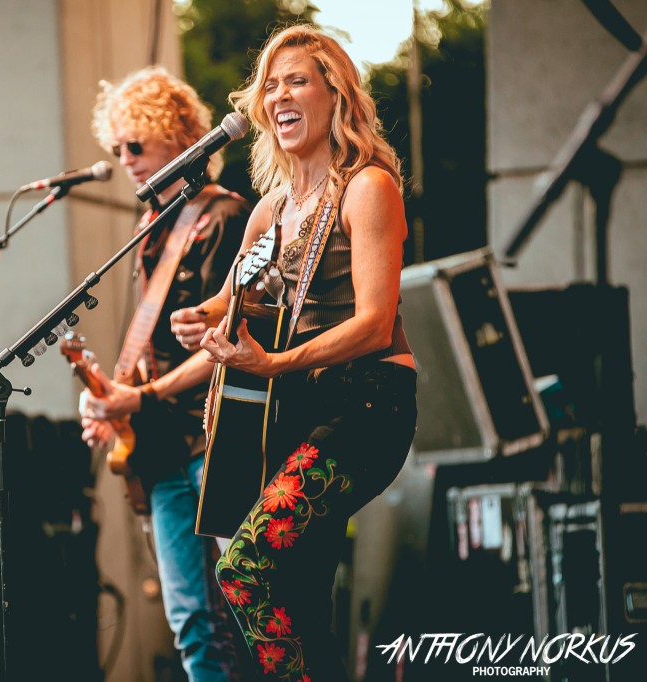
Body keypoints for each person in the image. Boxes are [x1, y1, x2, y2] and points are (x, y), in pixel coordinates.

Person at [169, 25, 418, 681]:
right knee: (298, 596)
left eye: (296, 80)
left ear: (335, 93)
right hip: (296, 412)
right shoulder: (269, 212)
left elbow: (373, 322)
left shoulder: (368, 187)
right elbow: (229, 302)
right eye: (269, 85)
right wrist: (198, 319)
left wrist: (273, 363)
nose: (278, 94)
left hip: (367, 406)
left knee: (245, 567)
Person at [78, 66, 250, 682]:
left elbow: (230, 345)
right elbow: (152, 348)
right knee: (191, 622)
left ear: (179, 135)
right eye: (116, 148)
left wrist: (138, 395)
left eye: (136, 145)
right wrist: (111, 398)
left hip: (218, 438)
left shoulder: (224, 218)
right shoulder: (150, 229)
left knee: (256, 614)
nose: (124, 160)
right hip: (163, 445)